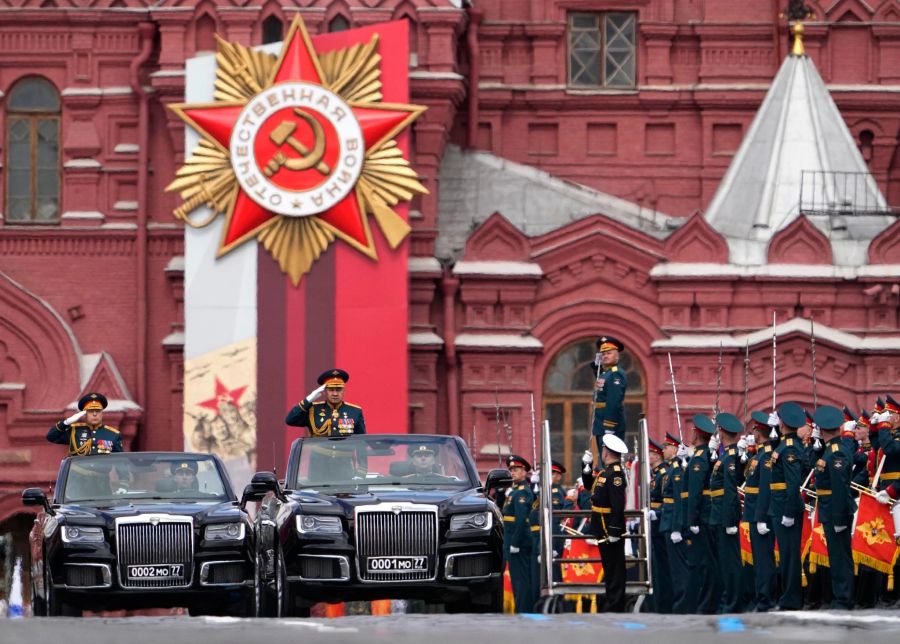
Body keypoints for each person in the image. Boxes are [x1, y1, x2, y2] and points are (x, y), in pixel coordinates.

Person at [812, 405, 855, 610]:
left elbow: (839, 488)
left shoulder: (836, 452)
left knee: (840, 556)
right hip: (829, 509)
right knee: (836, 555)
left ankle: (844, 599)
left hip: (836, 511)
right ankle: (841, 596)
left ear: (821, 429)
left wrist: (838, 517)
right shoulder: (829, 450)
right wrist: (815, 445)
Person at [768, 401, 807, 611]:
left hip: (786, 508)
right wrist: (773, 432)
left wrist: (790, 512)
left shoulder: (790, 447)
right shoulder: (784, 443)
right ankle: (787, 596)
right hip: (780, 506)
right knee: (785, 554)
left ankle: (791, 599)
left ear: (783, 422)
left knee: (790, 555)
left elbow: (793, 484)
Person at [587, 433, 628, 612]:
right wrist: (586, 466)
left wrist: (613, 530)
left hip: (609, 527)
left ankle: (616, 604)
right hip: (602, 526)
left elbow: (618, 505)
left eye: (603, 449)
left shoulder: (616, 474)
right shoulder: (606, 472)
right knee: (609, 567)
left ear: (607, 452)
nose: (602, 452)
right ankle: (612, 601)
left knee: (615, 568)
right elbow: (591, 486)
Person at [684, 413, 720, 614]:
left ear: (697, 434)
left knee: (706, 563)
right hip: (704, 514)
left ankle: (708, 604)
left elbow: (695, 491)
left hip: (702, 516)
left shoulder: (700, 457)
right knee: (705, 562)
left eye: (692, 431)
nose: (690, 433)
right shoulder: (702, 455)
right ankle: (707, 602)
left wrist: (692, 518)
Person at [710, 412, 745, 613]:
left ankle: (733, 603)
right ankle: (728, 600)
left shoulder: (730, 456)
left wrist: (731, 519)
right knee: (725, 563)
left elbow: (731, 489)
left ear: (722, 433)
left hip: (726, 517)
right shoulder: (725, 455)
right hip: (720, 514)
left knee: (730, 563)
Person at [745, 411, 777, 612]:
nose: (752, 432)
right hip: (753, 511)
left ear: (759, 432)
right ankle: (760, 596)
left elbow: (765, 487)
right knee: (758, 559)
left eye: (755, 429)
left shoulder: (766, 455)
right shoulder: (758, 454)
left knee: (764, 560)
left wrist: (761, 516)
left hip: (760, 513)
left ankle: (765, 599)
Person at [285, 369, 366, 436]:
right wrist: (308, 400)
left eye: (338, 390)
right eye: (331, 390)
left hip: (345, 455)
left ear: (344, 391)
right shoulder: (313, 410)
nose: (335, 394)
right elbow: (290, 420)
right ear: (324, 392)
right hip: (319, 455)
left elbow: (361, 441)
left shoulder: (355, 411)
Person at [660, 432, 690, 613]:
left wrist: (677, 527)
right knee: (673, 568)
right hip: (667, 521)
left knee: (680, 569)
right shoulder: (671, 469)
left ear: (675, 449)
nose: (664, 450)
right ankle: (677, 603)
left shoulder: (677, 470)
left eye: (666, 447)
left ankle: (682, 605)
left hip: (673, 524)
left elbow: (679, 500)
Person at [503, 455, 534, 613]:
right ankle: (520, 608)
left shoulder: (522, 493)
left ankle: (524, 610)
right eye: (512, 470)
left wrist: (515, 542)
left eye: (516, 470)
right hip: (511, 540)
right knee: (516, 579)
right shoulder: (514, 491)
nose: (513, 473)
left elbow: (521, 520)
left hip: (519, 542)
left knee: (521, 579)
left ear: (524, 472)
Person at [47, 392, 123, 456]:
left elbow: (120, 461)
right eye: (90, 411)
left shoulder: (113, 434)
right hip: (78, 473)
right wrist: (66, 422)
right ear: (85, 414)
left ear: (102, 413)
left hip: (101, 473)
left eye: (98, 411)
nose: (94, 414)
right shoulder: (74, 431)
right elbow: (51, 437)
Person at [647, 438, 673, 613]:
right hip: (654, 523)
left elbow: (667, 501)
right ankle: (658, 602)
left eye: (649, 454)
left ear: (655, 456)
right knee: (656, 567)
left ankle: (664, 603)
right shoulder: (655, 474)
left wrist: (657, 513)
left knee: (662, 567)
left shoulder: (663, 474)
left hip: (660, 522)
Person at [590, 336, 628, 446]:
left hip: (610, 424)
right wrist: (595, 367)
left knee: (609, 460)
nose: (605, 356)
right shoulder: (606, 373)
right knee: (603, 459)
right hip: (600, 423)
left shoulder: (616, 374)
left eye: (609, 353)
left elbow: (614, 401)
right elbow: (602, 383)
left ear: (617, 356)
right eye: (603, 354)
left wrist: (609, 425)